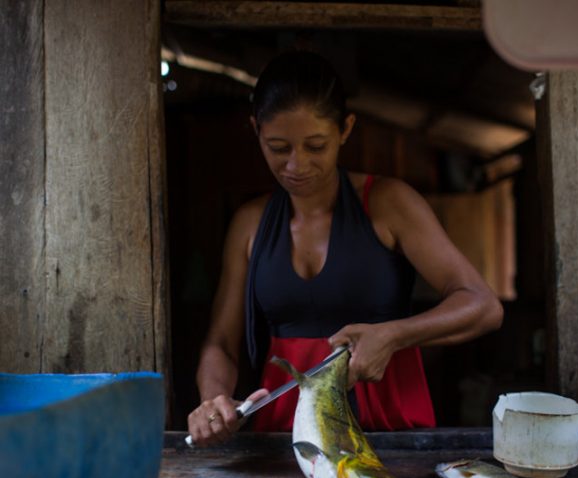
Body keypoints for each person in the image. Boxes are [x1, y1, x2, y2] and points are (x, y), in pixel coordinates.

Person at [187, 50, 503, 447]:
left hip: (388, 429)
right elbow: (221, 343)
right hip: (286, 435)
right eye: (279, 147)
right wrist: (213, 401)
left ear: (345, 130)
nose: (296, 165)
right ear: (256, 130)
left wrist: (394, 335)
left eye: (316, 146)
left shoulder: (388, 203)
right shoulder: (250, 223)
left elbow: (483, 306)